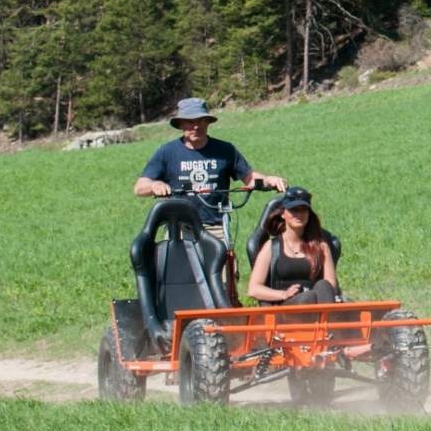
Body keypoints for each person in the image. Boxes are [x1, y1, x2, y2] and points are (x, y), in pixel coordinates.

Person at [134, 97, 286, 240]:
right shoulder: (166, 152)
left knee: (225, 266)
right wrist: (155, 185)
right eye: (189, 122)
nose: (196, 126)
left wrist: (267, 180)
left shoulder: (225, 150)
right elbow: (140, 188)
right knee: (178, 268)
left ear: (208, 122)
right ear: (180, 124)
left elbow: (250, 178)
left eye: (200, 120)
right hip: (179, 227)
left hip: (216, 226)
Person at [247, 187, 339, 306]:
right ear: (283, 214)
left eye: (304, 210)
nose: (299, 214)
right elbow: (253, 289)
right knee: (307, 297)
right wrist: (283, 294)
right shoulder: (271, 247)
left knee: (324, 285)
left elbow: (331, 287)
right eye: (294, 210)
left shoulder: (321, 246)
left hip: (316, 303)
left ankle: (325, 323)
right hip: (284, 309)